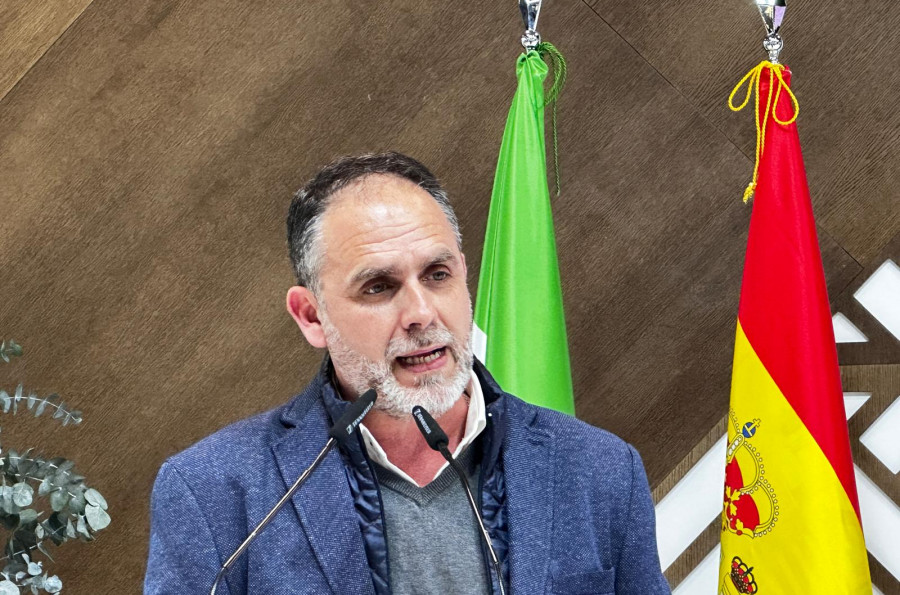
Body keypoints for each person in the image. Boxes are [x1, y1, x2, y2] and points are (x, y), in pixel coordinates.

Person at [144, 152, 670, 594]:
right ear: (311, 316)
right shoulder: (213, 490)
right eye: (379, 287)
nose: (421, 313)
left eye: (438, 275)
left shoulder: (600, 470)